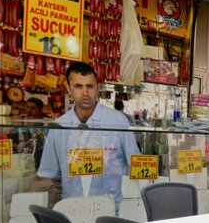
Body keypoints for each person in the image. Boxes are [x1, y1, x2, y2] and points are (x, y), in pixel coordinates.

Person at [37, 61, 138, 209]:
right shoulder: (59, 126)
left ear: (97, 88)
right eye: (78, 86)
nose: (85, 92)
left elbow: (134, 163)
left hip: (112, 207)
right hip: (73, 206)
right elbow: (49, 173)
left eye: (89, 86)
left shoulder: (117, 120)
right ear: (69, 89)